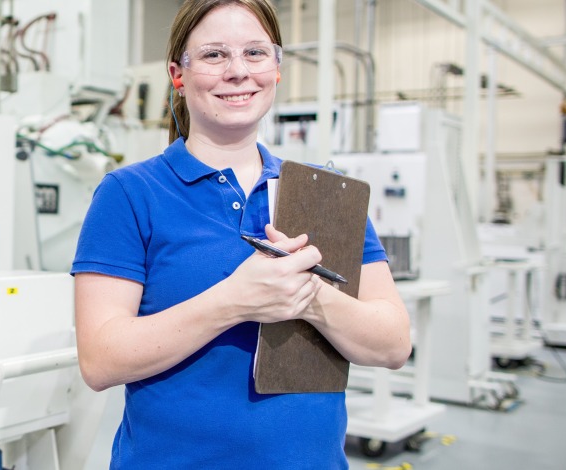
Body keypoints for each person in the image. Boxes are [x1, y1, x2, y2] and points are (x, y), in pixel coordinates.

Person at [70, 0, 411, 467]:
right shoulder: (131, 194)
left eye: (255, 52)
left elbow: (393, 344)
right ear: (178, 74)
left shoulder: (327, 194)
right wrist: (235, 300)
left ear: (277, 69)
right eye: (214, 55)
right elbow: (100, 359)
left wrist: (308, 295)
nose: (238, 71)